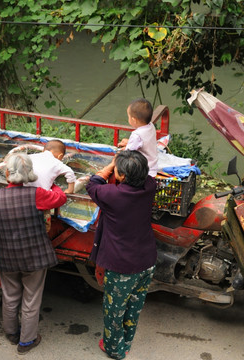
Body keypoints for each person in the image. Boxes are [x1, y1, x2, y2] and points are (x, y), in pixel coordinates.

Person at [0, 152, 67, 355]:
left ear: (7, 173)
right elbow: (61, 198)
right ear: (29, 173)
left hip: (7, 257)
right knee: (31, 300)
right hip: (35, 257)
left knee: (10, 295)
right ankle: (26, 341)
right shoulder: (38, 194)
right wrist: (53, 184)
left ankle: (11, 332)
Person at [85, 150, 157, 360]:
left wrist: (111, 164)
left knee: (114, 310)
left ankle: (114, 349)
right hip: (146, 259)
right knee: (135, 305)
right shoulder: (150, 186)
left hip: (122, 265)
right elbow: (147, 176)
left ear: (121, 176)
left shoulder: (113, 195)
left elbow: (93, 184)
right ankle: (126, 341)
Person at [117, 98, 158, 177]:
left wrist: (123, 150)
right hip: (153, 165)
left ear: (134, 120)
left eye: (128, 116)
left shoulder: (137, 135)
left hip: (142, 169)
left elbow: (128, 153)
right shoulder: (151, 126)